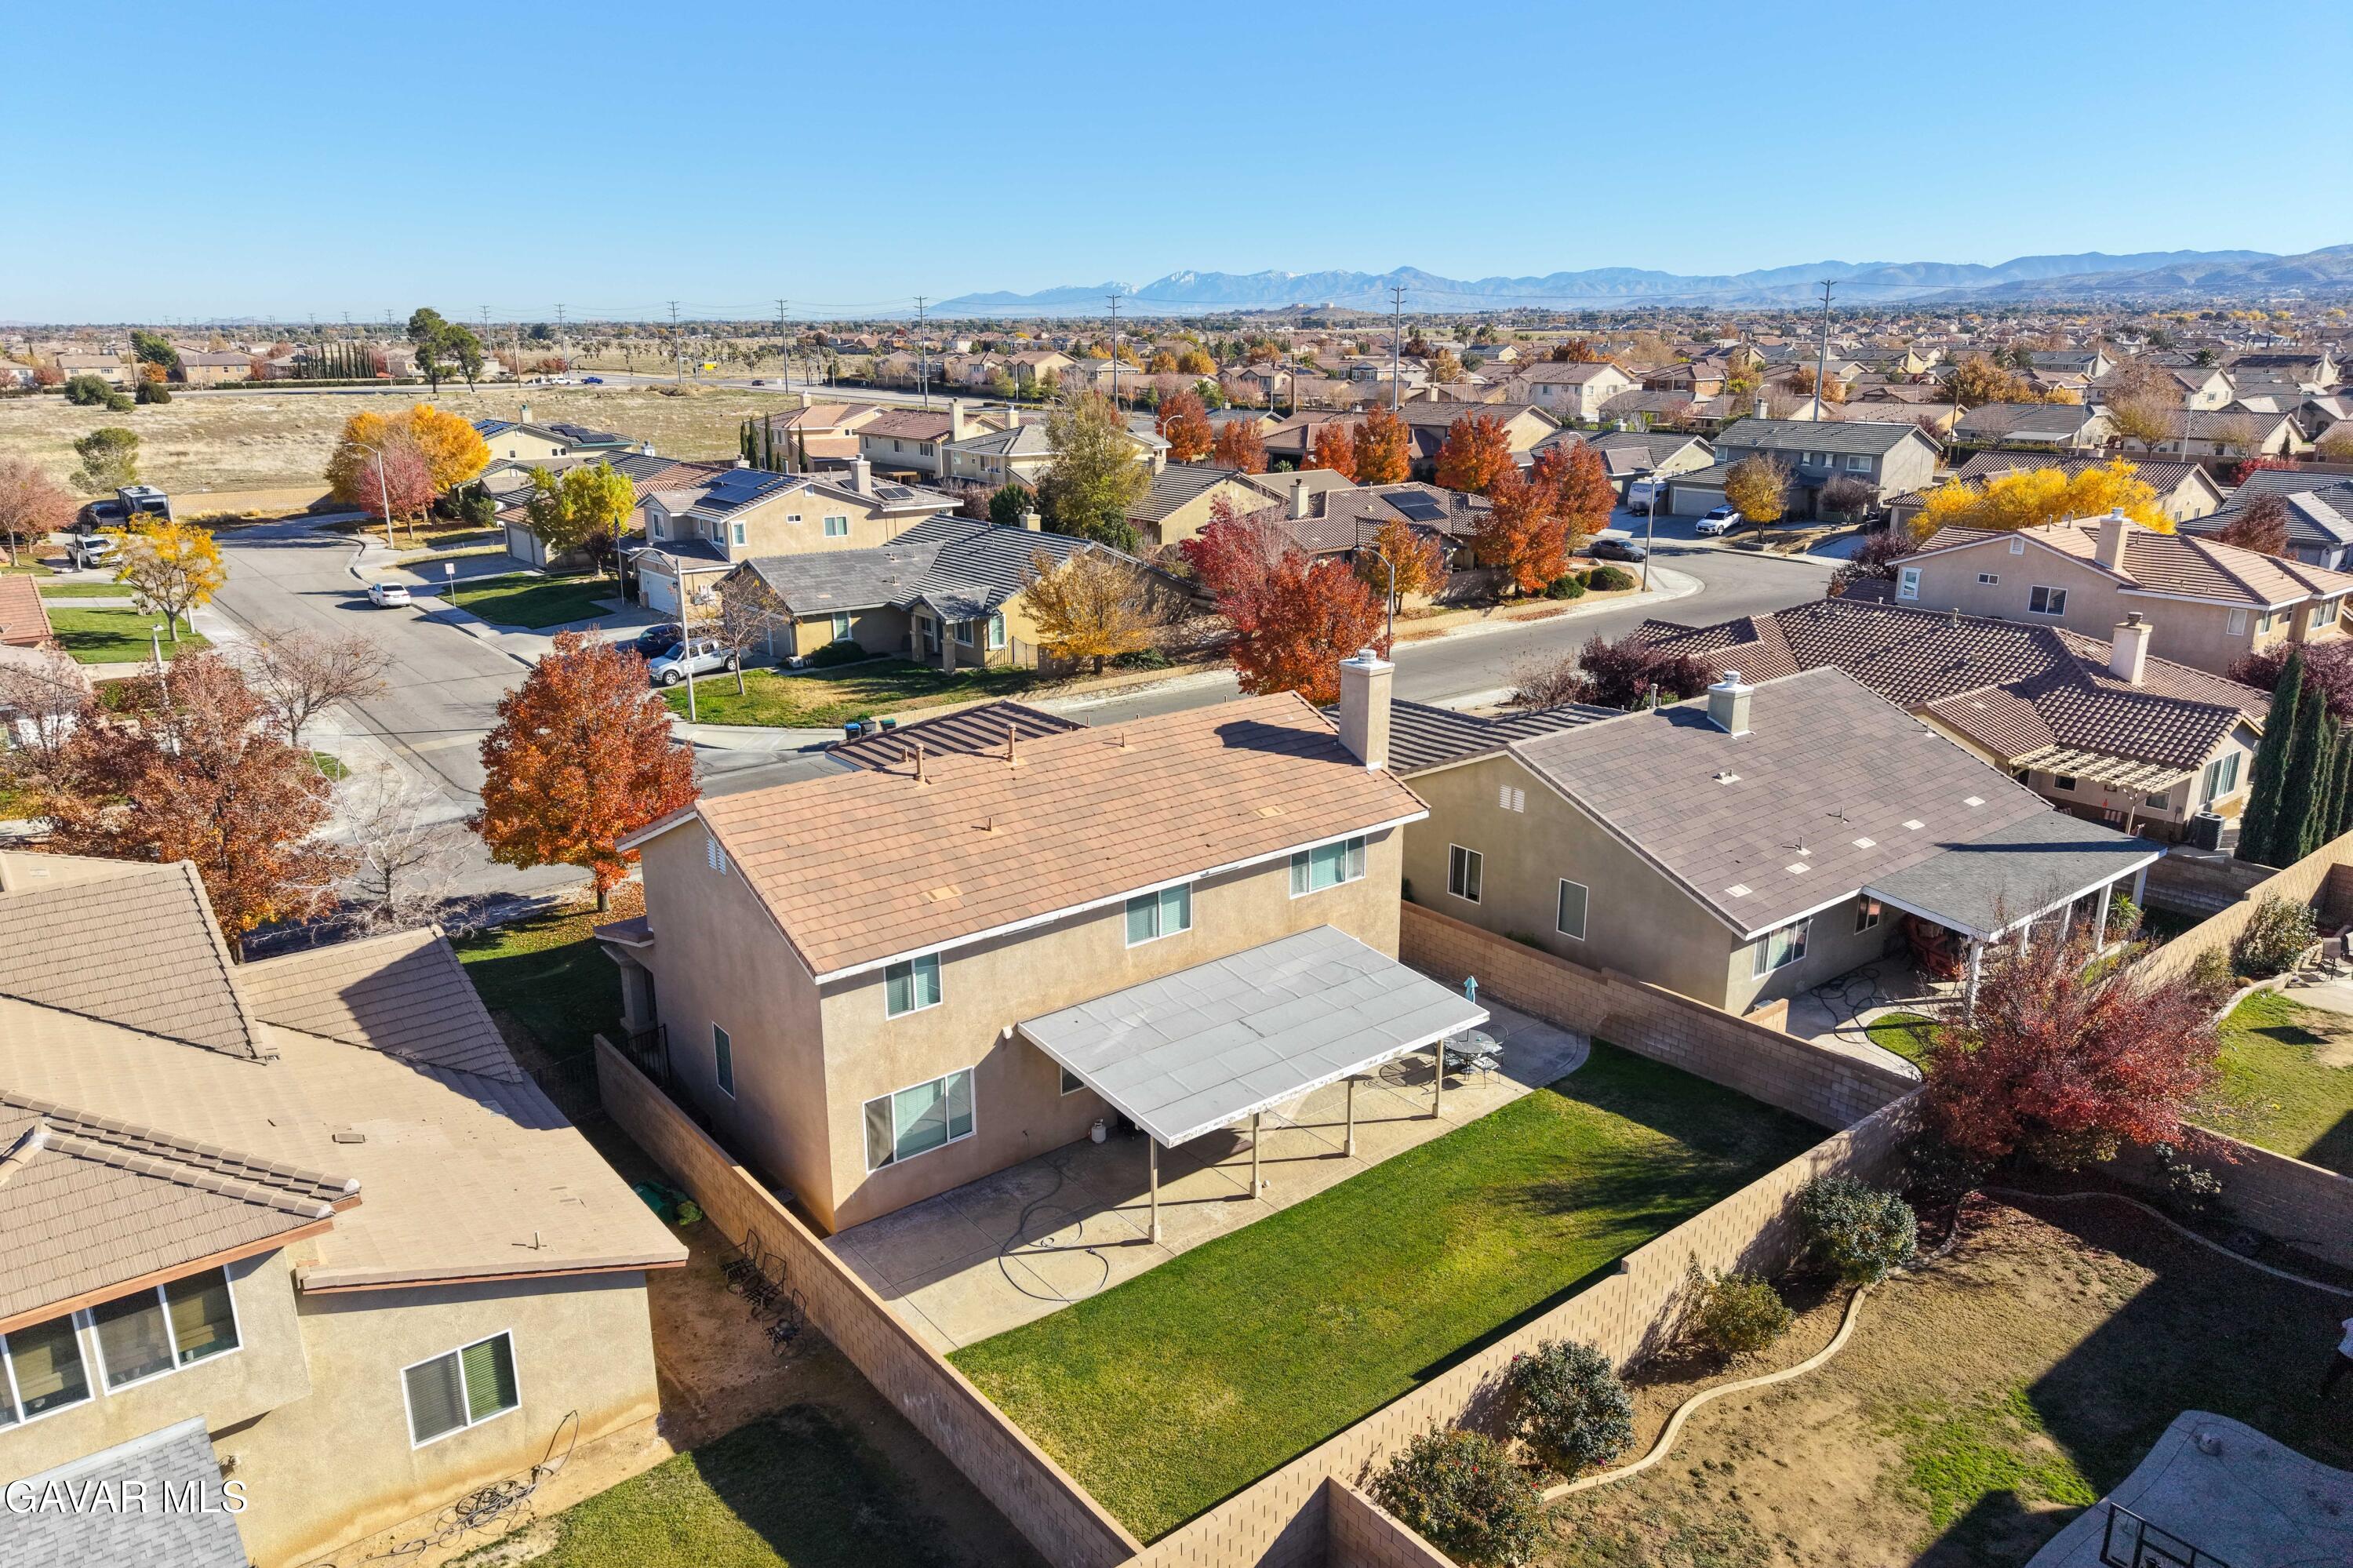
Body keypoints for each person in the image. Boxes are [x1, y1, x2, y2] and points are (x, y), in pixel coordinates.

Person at [2324, 1315, 2353, 1401]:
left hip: (2342, 1351)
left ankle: (2323, 1392)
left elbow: (2339, 1328)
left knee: (2334, 1372)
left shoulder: (2351, 1320)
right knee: (2336, 1373)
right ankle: (2324, 1392)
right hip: (2350, 1356)